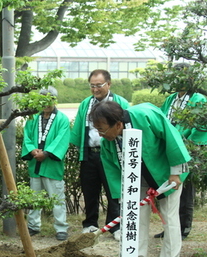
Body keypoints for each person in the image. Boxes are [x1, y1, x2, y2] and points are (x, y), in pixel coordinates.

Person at [89, 101, 191, 257]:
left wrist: (175, 172)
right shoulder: (109, 141)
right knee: (136, 220)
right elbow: (111, 168)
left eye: (102, 130)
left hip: (166, 174)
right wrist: (121, 195)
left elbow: (172, 138)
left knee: (170, 219)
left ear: (118, 124)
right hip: (136, 181)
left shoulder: (146, 115)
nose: (100, 135)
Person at [70, 69, 129, 240]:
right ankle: (90, 223)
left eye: (99, 85)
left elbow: (127, 128)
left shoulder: (120, 102)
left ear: (109, 84)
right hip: (90, 154)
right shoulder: (85, 104)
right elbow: (78, 130)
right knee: (89, 189)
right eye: (92, 86)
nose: (95, 89)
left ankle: (115, 225)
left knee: (113, 190)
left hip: (111, 154)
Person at [154, 63, 207, 240]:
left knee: (185, 190)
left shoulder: (199, 99)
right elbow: (161, 122)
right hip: (169, 149)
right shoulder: (170, 99)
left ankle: (184, 226)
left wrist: (191, 148)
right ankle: (169, 226)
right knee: (169, 188)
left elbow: (201, 127)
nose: (177, 81)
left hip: (187, 150)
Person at [21, 87, 70, 241]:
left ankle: (61, 227)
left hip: (51, 165)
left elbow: (61, 139)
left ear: (55, 100)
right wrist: (32, 151)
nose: (47, 103)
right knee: (34, 197)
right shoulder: (33, 118)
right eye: (43, 100)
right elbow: (27, 137)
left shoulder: (62, 119)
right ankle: (33, 226)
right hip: (35, 164)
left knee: (57, 198)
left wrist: (46, 153)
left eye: (50, 100)